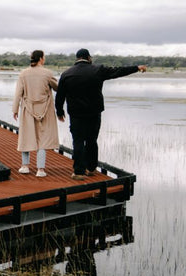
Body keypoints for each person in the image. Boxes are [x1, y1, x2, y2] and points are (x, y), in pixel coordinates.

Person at [55, 49, 147, 180]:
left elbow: (60, 96)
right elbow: (118, 71)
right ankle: (91, 168)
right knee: (92, 140)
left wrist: (59, 111)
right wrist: (136, 68)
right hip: (94, 112)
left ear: (77, 58)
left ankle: (79, 172)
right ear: (89, 58)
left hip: (76, 114)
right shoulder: (98, 70)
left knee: (78, 141)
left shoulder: (66, 74)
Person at [12, 50, 60, 177]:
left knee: (26, 136)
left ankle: (24, 166)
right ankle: (40, 170)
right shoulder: (47, 73)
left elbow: (18, 93)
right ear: (41, 59)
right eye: (44, 57)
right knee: (43, 139)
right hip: (45, 111)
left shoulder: (23, 74)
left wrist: (15, 109)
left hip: (28, 109)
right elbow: (57, 88)